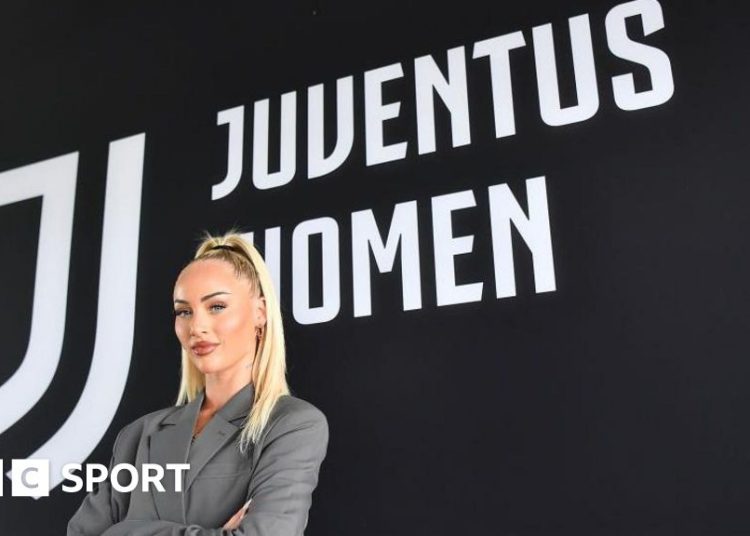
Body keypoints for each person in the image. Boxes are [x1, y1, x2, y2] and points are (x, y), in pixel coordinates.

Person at [67, 229, 329, 535]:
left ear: (260, 313)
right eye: (184, 311)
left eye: (216, 306)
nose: (197, 326)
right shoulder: (138, 436)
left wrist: (124, 530)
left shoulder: (292, 424)